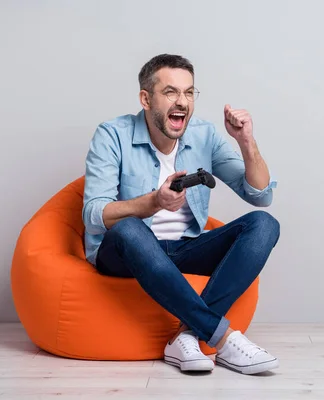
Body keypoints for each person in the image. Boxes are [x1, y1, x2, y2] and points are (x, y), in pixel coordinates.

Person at [82, 54, 280, 375]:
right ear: (146, 99)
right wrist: (154, 202)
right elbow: (93, 214)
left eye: (189, 93)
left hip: (183, 247)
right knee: (131, 229)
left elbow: (260, 194)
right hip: (125, 252)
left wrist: (246, 142)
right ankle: (223, 338)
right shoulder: (112, 134)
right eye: (171, 92)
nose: (183, 102)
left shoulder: (204, 134)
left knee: (263, 225)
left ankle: (186, 337)